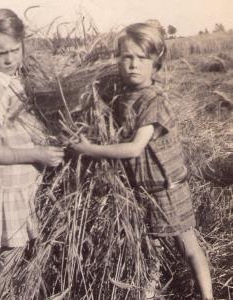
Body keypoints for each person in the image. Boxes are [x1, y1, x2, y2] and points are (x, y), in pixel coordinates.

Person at [71, 23, 213, 300]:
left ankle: (208, 297)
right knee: (148, 246)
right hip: (143, 190)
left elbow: (135, 148)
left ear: (156, 64)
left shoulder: (154, 101)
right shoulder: (124, 96)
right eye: (127, 57)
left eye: (142, 58)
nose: (133, 64)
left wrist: (90, 149)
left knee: (188, 246)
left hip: (167, 189)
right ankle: (149, 292)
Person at [0, 8, 64, 299]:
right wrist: (36, 153)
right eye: (2, 54)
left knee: (27, 254)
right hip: (8, 189)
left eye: (15, 49)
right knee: (11, 261)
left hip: (25, 184)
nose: (11, 59)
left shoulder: (15, 80)